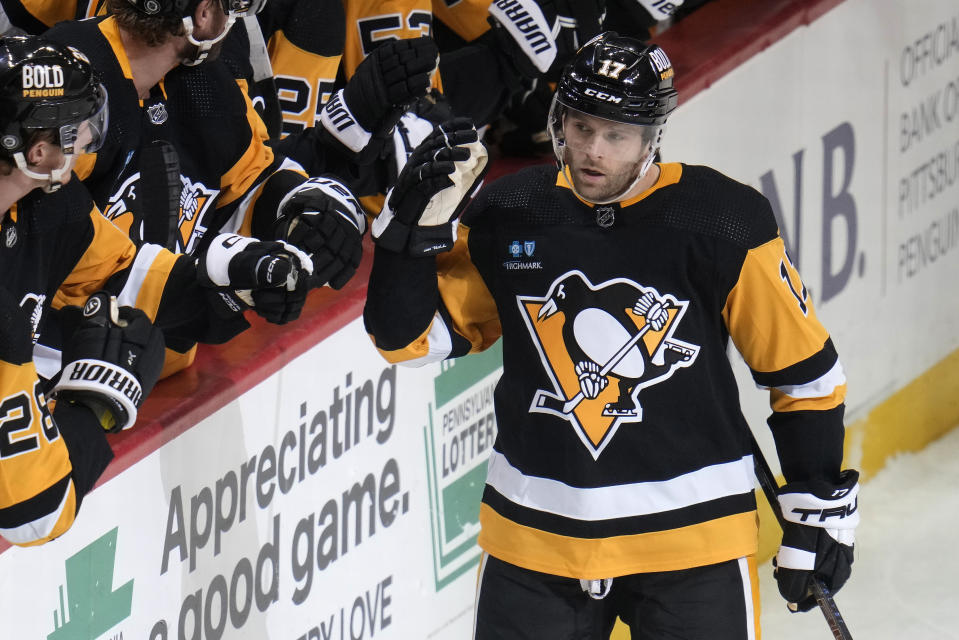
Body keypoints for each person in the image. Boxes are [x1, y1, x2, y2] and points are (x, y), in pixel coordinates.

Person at [363, 33, 858, 638]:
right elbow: (406, 339)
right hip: (534, 542)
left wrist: (818, 510)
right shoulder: (513, 214)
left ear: (653, 138)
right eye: (581, 126)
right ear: (560, 122)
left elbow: (803, 373)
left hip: (691, 543)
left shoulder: (722, 221)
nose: (593, 150)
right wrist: (403, 234)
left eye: (617, 134)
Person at [0, 34, 316, 546]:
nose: (87, 142)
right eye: (78, 129)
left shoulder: (40, 203)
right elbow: (33, 511)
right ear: (38, 150)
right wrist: (89, 406)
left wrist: (237, 277)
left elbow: (121, 273)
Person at [38, 0, 368, 376]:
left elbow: (252, 176)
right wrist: (213, 280)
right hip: (51, 370)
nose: (234, 17)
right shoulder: (66, 86)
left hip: (144, 360)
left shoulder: (199, 77)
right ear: (204, 13)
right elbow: (61, 240)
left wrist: (300, 210)